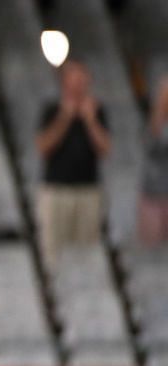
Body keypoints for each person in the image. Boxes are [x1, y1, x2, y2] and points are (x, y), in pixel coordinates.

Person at [34, 59, 112, 270]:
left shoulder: (97, 111)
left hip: (87, 190)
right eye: (74, 80)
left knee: (86, 255)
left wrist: (90, 120)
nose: (78, 85)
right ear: (64, 83)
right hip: (57, 191)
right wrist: (65, 117)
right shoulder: (51, 111)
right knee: (53, 254)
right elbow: (43, 147)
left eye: (82, 80)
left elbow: (105, 149)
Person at [138, 77, 168, 247]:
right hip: (154, 196)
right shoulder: (151, 120)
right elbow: (148, 144)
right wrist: (161, 108)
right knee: (153, 249)